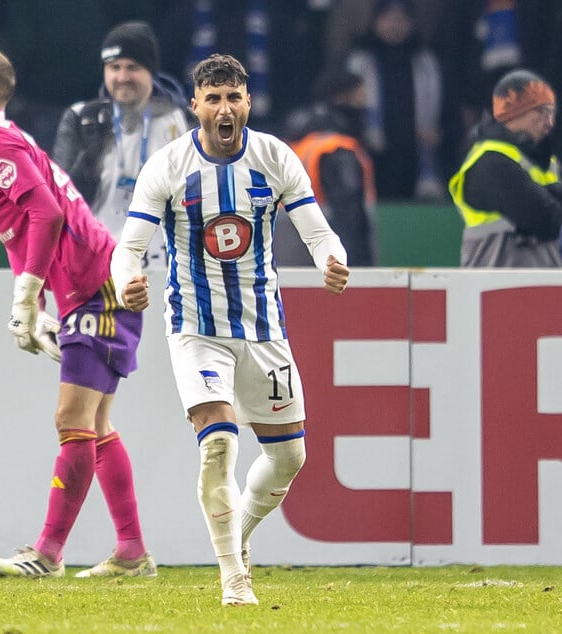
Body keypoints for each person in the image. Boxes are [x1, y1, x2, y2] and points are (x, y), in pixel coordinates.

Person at [110, 54, 350, 606]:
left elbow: (319, 233)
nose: (224, 108)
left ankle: (233, 537)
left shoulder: (274, 157)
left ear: (247, 103)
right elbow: (130, 248)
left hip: (264, 329)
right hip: (197, 329)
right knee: (218, 444)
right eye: (212, 98)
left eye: (233, 97)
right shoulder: (167, 166)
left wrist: (332, 261)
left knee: (290, 458)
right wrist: (128, 283)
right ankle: (233, 579)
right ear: (195, 105)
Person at [0, 46, 156, 579]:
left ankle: (48, 554)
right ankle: (131, 553)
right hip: (89, 286)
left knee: (72, 420)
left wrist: (28, 292)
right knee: (96, 424)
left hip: (98, 286)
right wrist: (31, 303)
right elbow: (19, 232)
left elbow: (48, 213)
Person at [52, 21, 194, 270]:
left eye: (132, 67)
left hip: (168, 267)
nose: (122, 77)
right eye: (114, 67)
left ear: (151, 70)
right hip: (97, 265)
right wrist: (90, 157)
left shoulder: (182, 120)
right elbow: (57, 200)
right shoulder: (82, 119)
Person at [449, 68, 562, 267]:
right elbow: (544, 217)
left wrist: (547, 192)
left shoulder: (543, 161)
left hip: (545, 291)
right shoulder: (488, 161)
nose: (549, 123)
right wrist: (554, 195)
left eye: (552, 113)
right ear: (515, 112)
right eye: (541, 112)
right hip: (492, 291)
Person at [344, 0, 446, 201]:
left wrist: (439, 133)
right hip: (373, 155)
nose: (395, 24)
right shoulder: (359, 63)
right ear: (376, 21)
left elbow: (447, 111)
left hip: (416, 156)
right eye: (388, 17)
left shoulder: (427, 63)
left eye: (401, 18)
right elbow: (348, 111)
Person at [277, 67, 376, 266]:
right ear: (342, 99)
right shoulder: (337, 149)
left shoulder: (298, 141)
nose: (365, 106)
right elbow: (349, 216)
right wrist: (357, 269)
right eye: (360, 98)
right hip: (325, 260)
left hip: (285, 251)